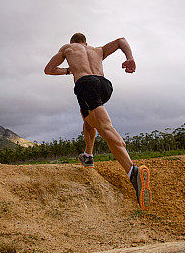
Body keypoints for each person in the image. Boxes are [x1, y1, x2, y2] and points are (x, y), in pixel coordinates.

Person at [44, 32, 151, 210]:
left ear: (74, 42)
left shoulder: (68, 48)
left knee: (104, 127)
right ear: (85, 43)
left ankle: (132, 171)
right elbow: (120, 41)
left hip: (86, 84)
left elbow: (49, 69)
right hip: (104, 85)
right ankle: (88, 155)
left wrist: (69, 70)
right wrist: (130, 58)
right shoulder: (98, 50)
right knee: (88, 118)